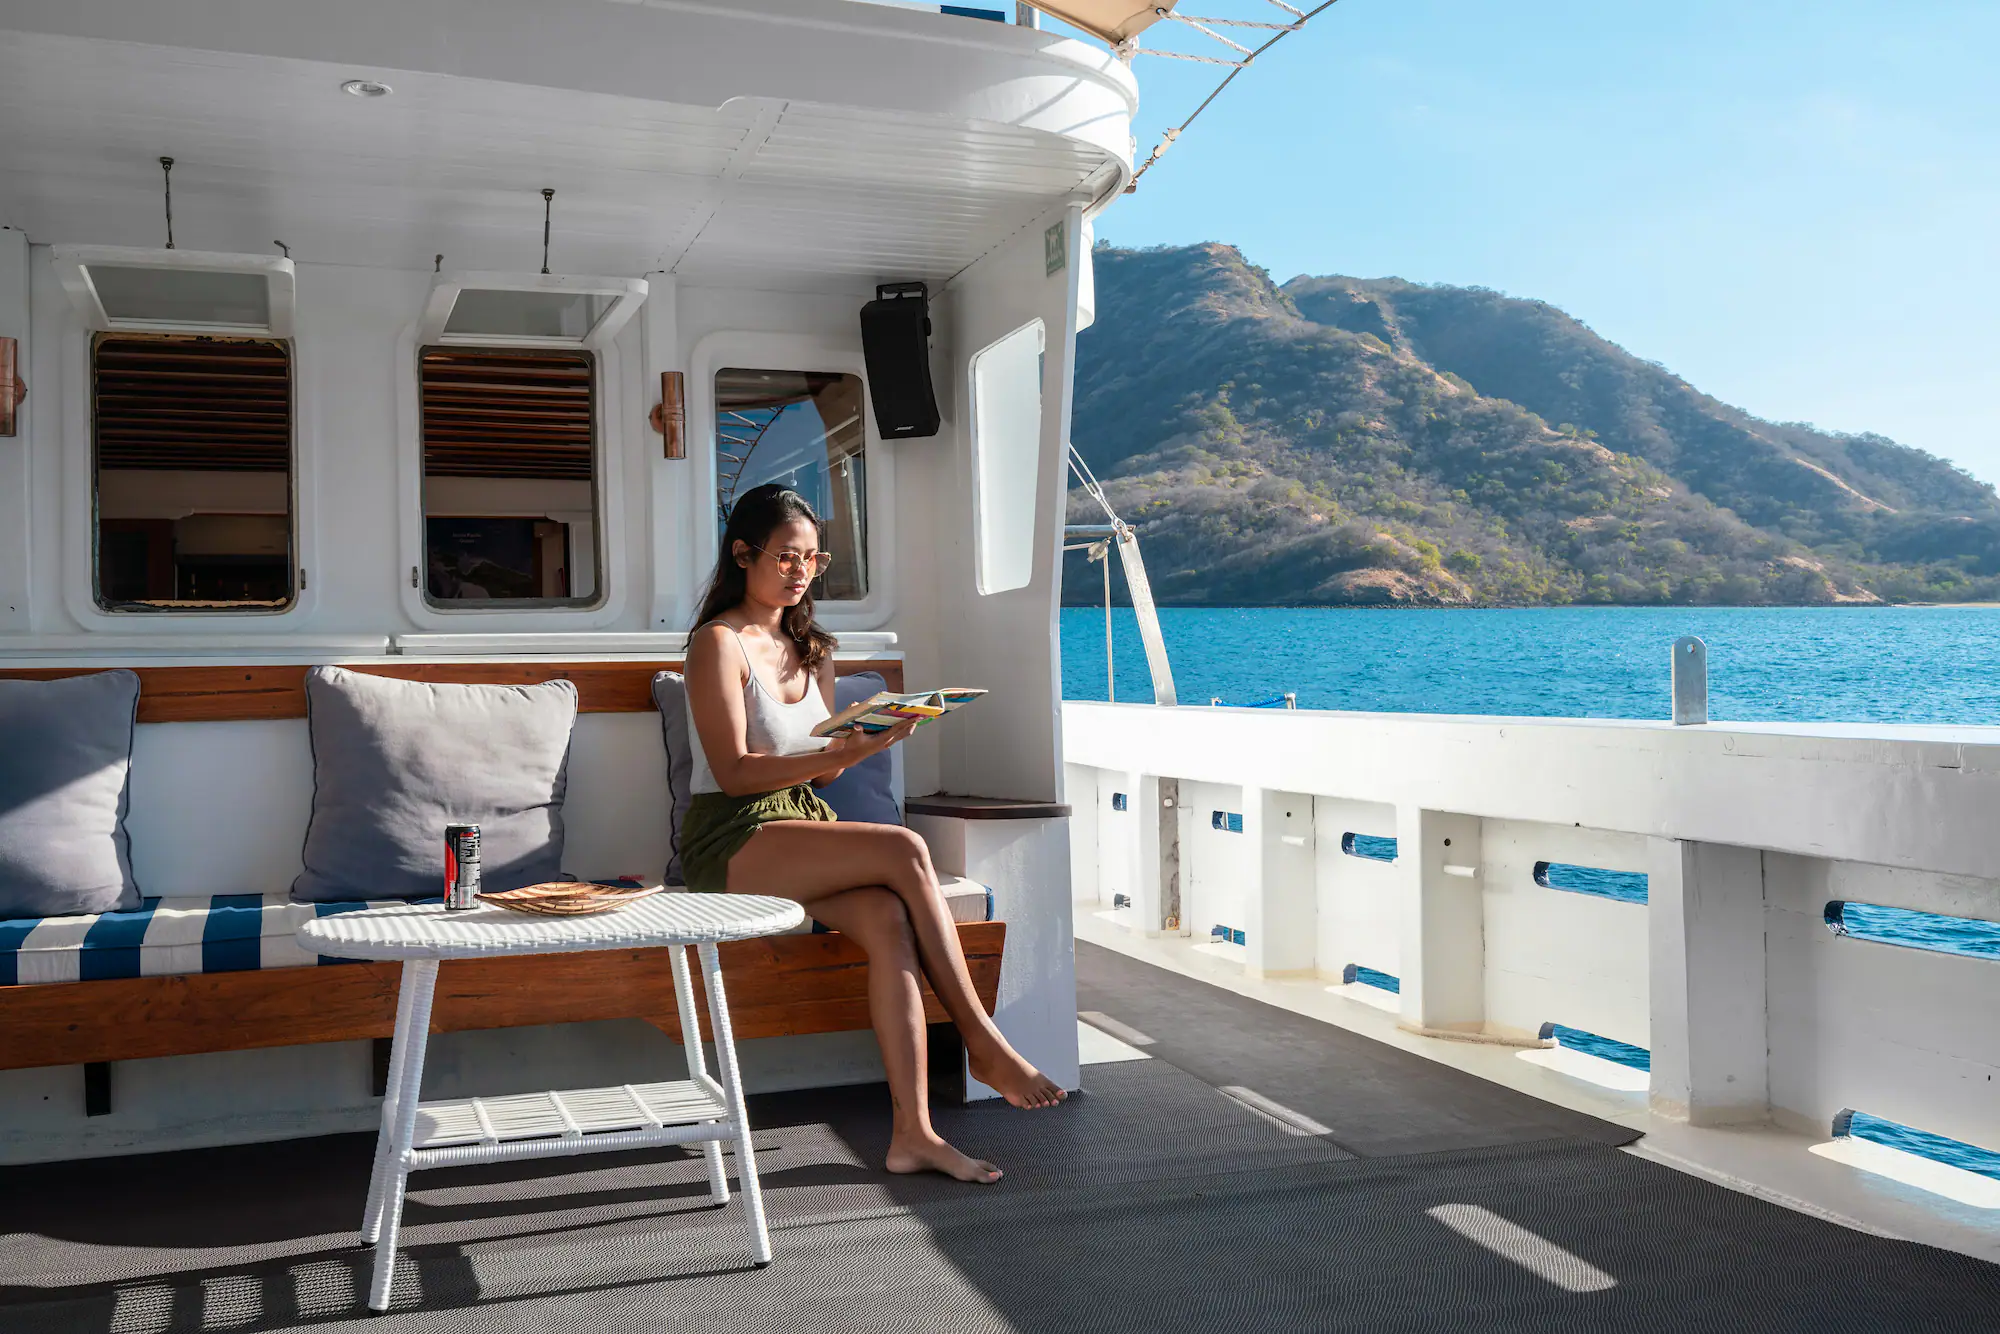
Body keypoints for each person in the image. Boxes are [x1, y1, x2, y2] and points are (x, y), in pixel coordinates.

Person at [681, 483, 1065, 1184]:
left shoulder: (813, 649)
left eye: (813, 559)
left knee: (889, 918)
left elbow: (821, 778)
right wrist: (842, 753)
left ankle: (913, 1134)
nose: (800, 572)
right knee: (904, 847)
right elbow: (735, 774)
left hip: (801, 824)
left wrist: (869, 740)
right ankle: (982, 1037)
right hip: (732, 837)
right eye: (786, 557)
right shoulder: (718, 644)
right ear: (742, 554)